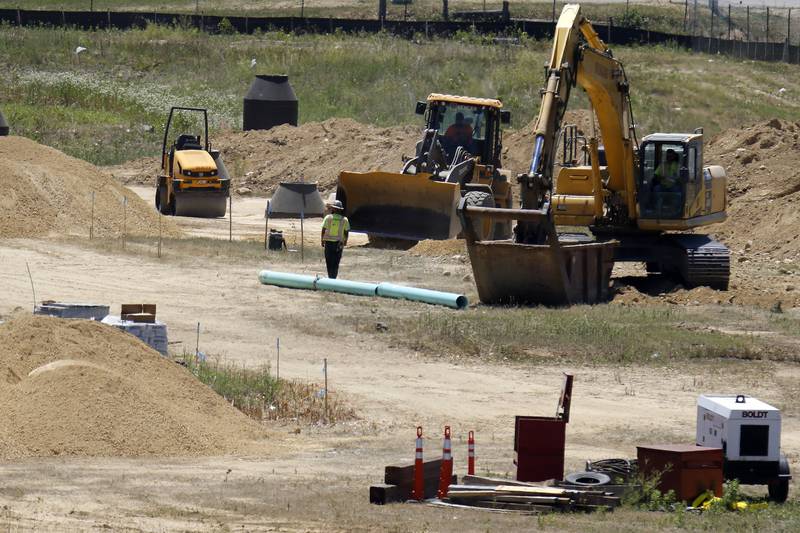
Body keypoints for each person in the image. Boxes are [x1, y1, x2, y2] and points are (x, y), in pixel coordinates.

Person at [321, 200, 350, 279]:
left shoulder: (328, 218)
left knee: (329, 261)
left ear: (333, 209)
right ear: (340, 209)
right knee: (336, 262)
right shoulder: (345, 220)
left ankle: (330, 277)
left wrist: (322, 240)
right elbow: (346, 232)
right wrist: (345, 241)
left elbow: (323, 229)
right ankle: (334, 278)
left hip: (329, 243)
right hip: (339, 244)